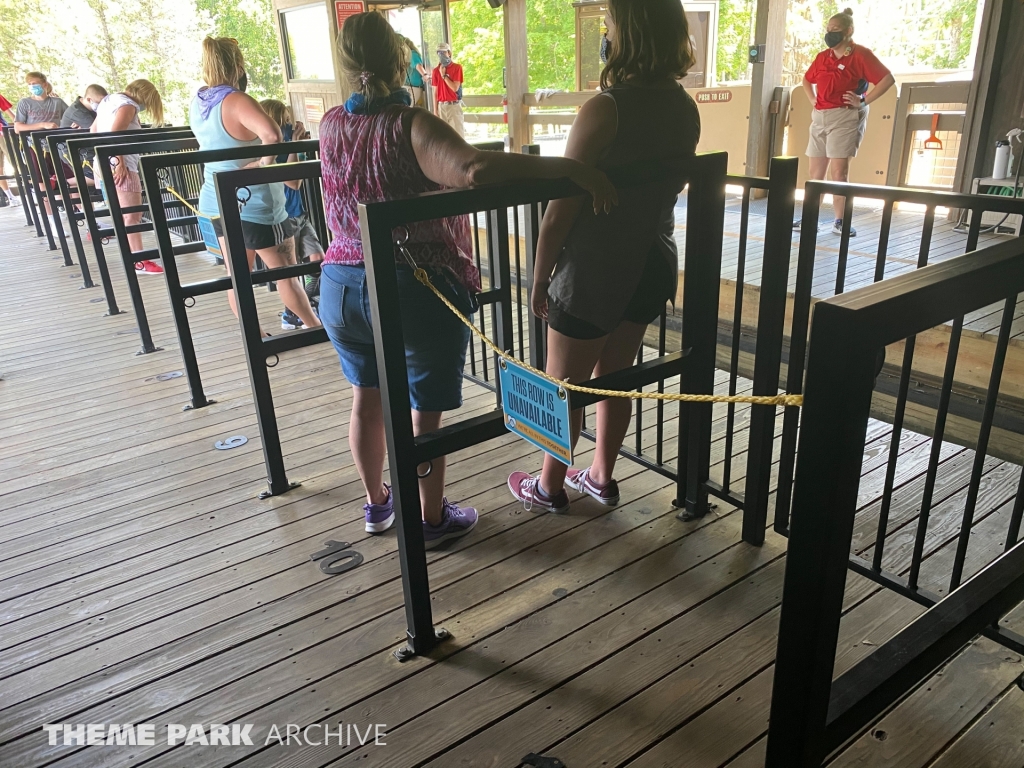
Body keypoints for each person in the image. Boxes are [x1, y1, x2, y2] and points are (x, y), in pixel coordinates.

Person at [319, 12, 615, 545]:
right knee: (424, 418)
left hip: (340, 282)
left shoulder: (330, 124)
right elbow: (474, 169)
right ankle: (431, 518)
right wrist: (570, 169)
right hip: (412, 285)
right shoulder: (410, 124)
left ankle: (377, 504)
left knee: (367, 397)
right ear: (400, 61)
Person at [506, 0, 701, 514]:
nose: (606, 33)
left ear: (627, 33)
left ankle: (549, 486)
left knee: (563, 384)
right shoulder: (685, 108)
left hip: (594, 270)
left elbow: (560, 209)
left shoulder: (605, 108)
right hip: (652, 260)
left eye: (610, 24)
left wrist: (539, 278)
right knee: (616, 376)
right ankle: (600, 475)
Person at [190, 37, 321, 334]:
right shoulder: (237, 100)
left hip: (216, 199)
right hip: (254, 203)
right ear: (238, 65)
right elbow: (272, 134)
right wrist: (262, 164)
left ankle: (255, 335)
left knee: (237, 275)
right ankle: (314, 328)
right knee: (286, 273)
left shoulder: (198, 103)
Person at [797, 8, 894, 237]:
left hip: (845, 115)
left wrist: (863, 101)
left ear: (848, 31)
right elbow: (807, 79)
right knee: (815, 172)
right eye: (828, 29)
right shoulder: (823, 57)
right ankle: (810, 218)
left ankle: (840, 220)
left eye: (835, 29)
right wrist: (812, 99)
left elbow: (886, 79)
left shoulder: (860, 55)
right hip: (820, 116)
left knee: (839, 172)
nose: (830, 33)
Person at [259, 98, 325, 330]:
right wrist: (293, 145)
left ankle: (304, 306)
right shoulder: (269, 152)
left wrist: (299, 144)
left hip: (299, 213)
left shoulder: (288, 146)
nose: (288, 125)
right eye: (284, 121)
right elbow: (293, 182)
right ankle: (293, 314)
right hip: (284, 217)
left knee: (318, 260)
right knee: (292, 270)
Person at [91, 79, 166, 275]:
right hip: (121, 166)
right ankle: (139, 260)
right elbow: (115, 135)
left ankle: (134, 258)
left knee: (123, 214)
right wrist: (119, 162)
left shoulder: (107, 101)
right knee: (132, 215)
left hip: (102, 163)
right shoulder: (128, 105)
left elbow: (93, 131)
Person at [431, 41, 464, 137]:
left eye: (444, 52)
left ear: (449, 53)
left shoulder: (457, 67)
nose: (441, 55)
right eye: (439, 53)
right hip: (441, 106)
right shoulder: (435, 71)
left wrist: (444, 75)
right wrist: (435, 110)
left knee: (458, 137)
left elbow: (455, 88)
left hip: (454, 106)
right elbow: (435, 93)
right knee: (443, 137)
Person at [0, 94, 17, 206]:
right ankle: (11, 197)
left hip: (3, 133)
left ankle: (33, 191)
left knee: (17, 163)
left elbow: (11, 114)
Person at [402, 37, 428, 108]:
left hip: (412, 88)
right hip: (411, 88)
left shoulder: (412, 54)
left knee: (407, 109)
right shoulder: (407, 57)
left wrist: (424, 75)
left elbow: (418, 65)